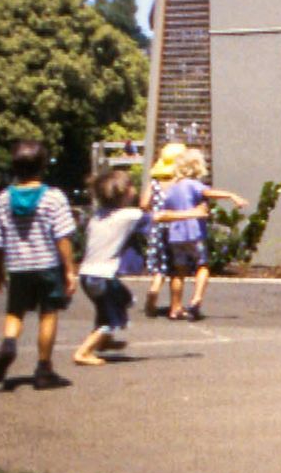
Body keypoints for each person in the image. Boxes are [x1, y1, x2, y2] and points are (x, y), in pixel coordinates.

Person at [0, 141, 79, 390]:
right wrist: (69, 269)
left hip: (18, 267)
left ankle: (8, 343)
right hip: (47, 266)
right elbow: (62, 237)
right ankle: (44, 369)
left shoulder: (5, 198)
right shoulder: (53, 197)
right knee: (48, 314)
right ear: (43, 166)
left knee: (15, 313)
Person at [151, 148, 245, 321]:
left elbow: (166, 211)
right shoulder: (193, 184)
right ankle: (196, 298)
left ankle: (175, 307)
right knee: (202, 265)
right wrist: (231, 196)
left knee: (179, 271)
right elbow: (208, 193)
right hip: (194, 232)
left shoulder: (171, 189)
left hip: (176, 235)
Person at [71, 170, 151, 367]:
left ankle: (104, 341)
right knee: (112, 318)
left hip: (87, 274)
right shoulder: (129, 215)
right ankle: (84, 352)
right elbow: (161, 216)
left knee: (120, 300)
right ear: (125, 193)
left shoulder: (97, 215)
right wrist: (193, 213)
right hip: (103, 276)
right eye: (132, 186)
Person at [141, 143, 186, 317]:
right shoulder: (180, 184)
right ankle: (176, 305)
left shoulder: (154, 184)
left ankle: (153, 290)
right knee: (177, 269)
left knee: (160, 266)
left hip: (157, 228)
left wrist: (153, 212)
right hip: (176, 228)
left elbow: (144, 204)